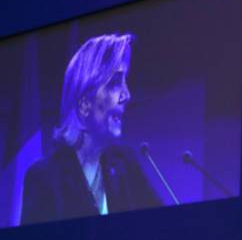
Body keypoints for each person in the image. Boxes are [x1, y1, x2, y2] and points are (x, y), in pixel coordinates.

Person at [21, 33, 160, 225]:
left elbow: (161, 228)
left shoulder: (126, 164)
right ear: (84, 104)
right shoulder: (44, 178)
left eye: (125, 81)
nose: (127, 95)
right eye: (115, 83)